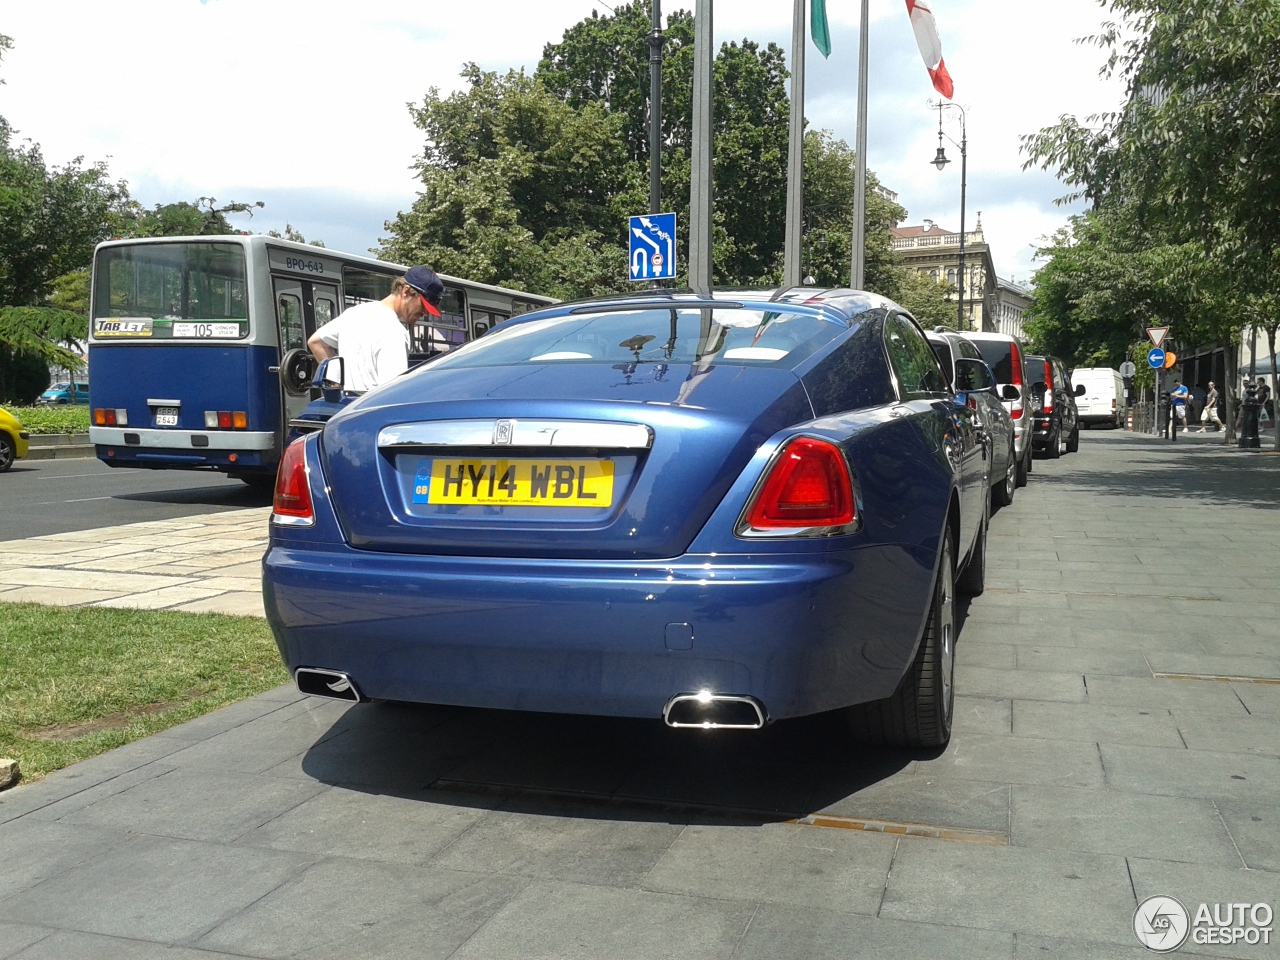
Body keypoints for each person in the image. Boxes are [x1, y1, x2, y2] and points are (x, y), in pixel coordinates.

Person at [307, 266, 445, 392]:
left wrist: (336, 385)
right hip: (371, 414)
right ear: (405, 291)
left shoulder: (354, 313)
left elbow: (316, 342)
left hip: (346, 411)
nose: (426, 313)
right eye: (424, 305)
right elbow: (392, 392)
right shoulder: (394, 332)